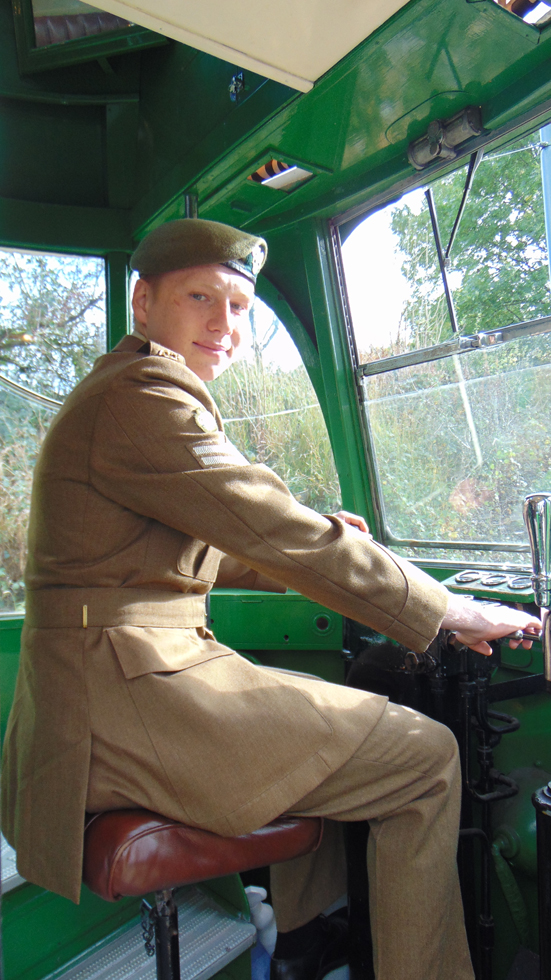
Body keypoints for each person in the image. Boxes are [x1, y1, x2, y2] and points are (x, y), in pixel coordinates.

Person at [1, 218, 540, 980]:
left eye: (240, 309)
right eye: (201, 298)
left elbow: (208, 546)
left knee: (324, 709)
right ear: (144, 303)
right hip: (116, 699)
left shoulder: (126, 396)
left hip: (114, 682)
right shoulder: (140, 394)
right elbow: (264, 523)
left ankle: (302, 940)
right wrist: (447, 610)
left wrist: (321, 544)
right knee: (425, 757)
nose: (224, 326)